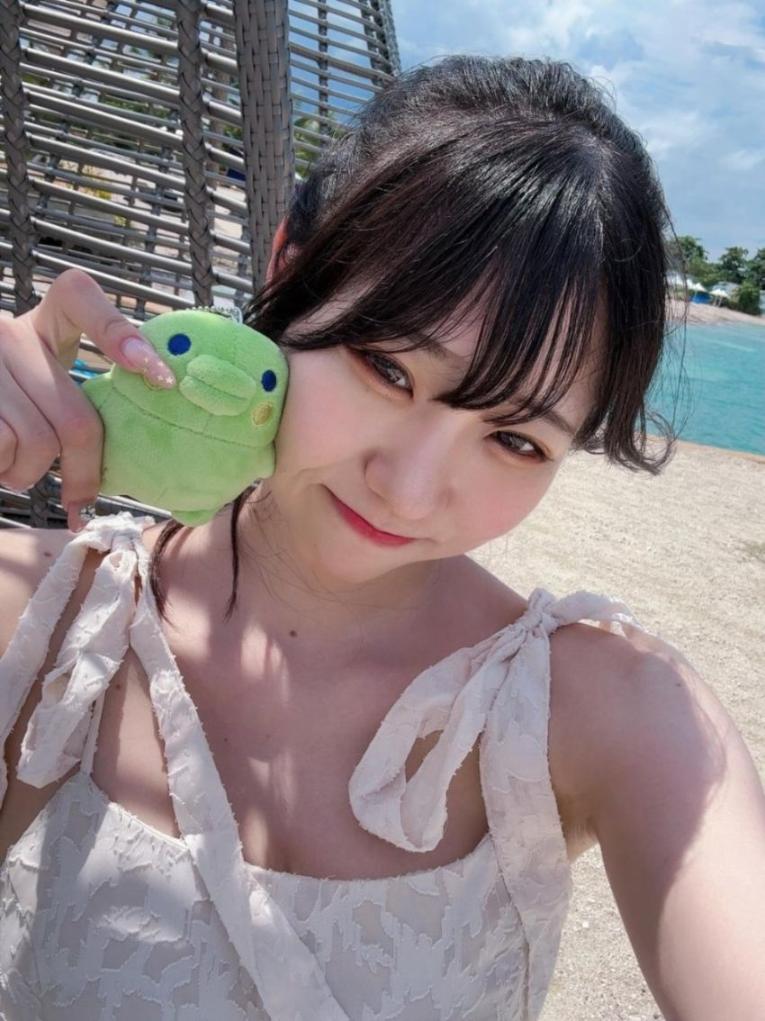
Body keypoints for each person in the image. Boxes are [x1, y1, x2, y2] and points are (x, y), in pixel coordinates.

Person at [0, 54, 763, 1021]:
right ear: (287, 267)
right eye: (385, 369)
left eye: (515, 440)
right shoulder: (41, 623)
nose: (407, 489)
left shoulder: (605, 712)